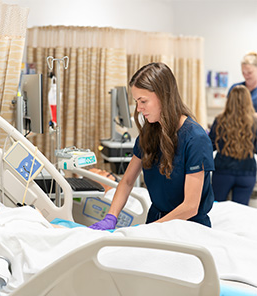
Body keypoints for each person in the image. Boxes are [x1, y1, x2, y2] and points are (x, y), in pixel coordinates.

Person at [90, 62, 215, 230]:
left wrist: (149, 230)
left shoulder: (195, 139)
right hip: (156, 220)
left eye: (143, 101)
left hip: (187, 227)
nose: (139, 108)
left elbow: (190, 207)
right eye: (136, 101)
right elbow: (127, 181)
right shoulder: (150, 133)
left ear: (163, 96)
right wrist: (111, 217)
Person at [209, 85, 257, 205]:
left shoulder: (220, 120)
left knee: (217, 208)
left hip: (222, 172)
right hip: (247, 173)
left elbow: (211, 145)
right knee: (240, 212)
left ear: (229, 100)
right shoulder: (254, 122)